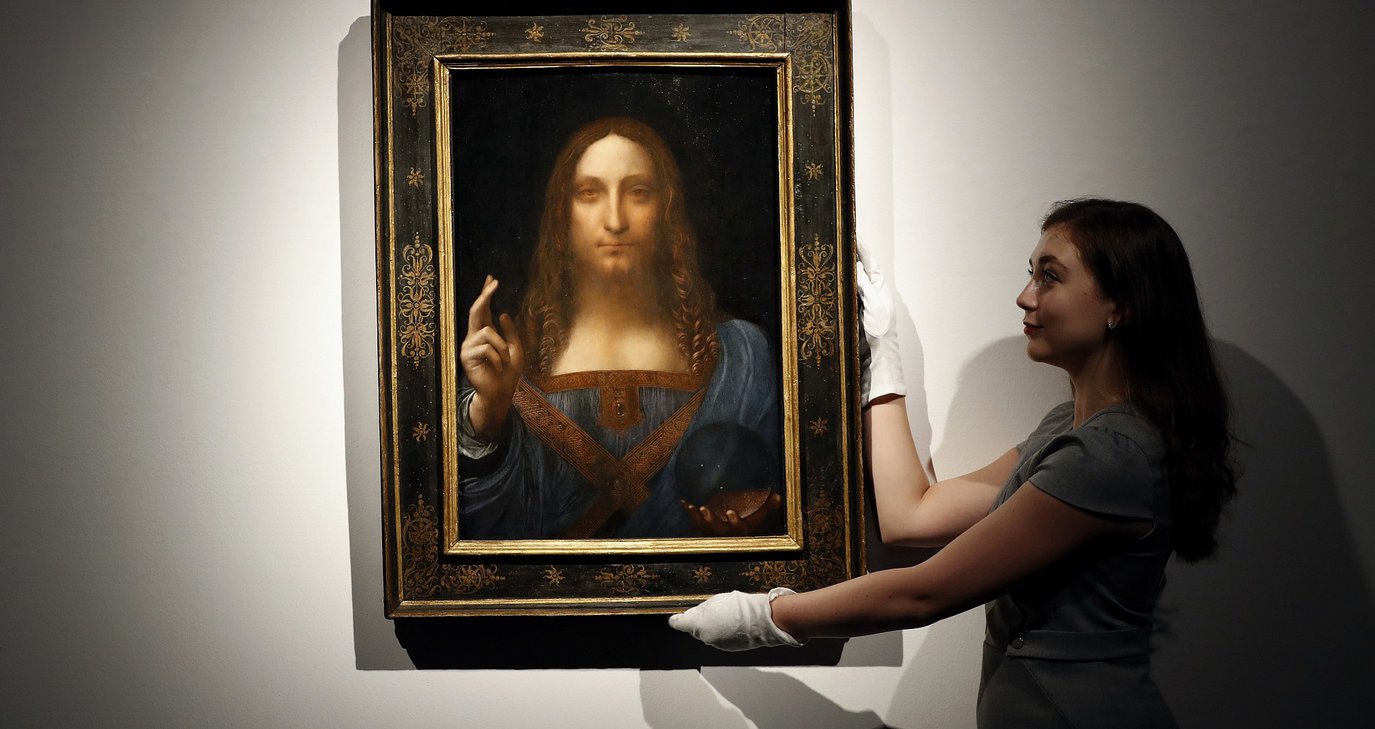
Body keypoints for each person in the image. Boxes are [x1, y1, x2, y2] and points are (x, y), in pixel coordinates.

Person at [670, 198, 1237, 728]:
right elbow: (911, 516)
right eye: (1031, 273)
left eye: (1050, 276)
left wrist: (765, 618)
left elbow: (923, 594)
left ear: (1121, 305)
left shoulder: (1108, 458)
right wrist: (883, 357)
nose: (1025, 296)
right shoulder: (1068, 429)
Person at [457, 117, 782, 540]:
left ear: (666, 211)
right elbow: (477, 526)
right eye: (589, 193)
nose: (615, 220)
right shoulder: (508, 361)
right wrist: (489, 410)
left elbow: (775, 498)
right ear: (562, 215)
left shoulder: (744, 356)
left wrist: (755, 525)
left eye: (638, 192)